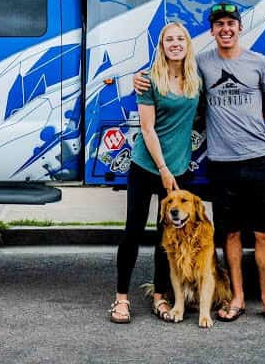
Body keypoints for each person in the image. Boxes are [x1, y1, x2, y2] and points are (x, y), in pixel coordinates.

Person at [134, 1, 265, 325]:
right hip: (222, 164)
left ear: (239, 28)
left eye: (230, 24)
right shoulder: (201, 64)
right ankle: (236, 299)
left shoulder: (258, 62)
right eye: (219, 25)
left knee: (264, 233)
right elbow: (171, 70)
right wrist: (141, 79)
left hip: (260, 159)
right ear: (212, 31)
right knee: (230, 234)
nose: (225, 29)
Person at [110, 21, 203, 324]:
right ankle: (121, 299)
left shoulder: (194, 80)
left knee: (169, 237)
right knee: (133, 232)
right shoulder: (149, 80)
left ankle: (160, 296)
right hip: (147, 166)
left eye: (180, 39)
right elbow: (147, 129)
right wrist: (163, 169)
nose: (175, 44)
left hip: (179, 169)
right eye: (168, 40)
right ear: (161, 46)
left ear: (187, 44)